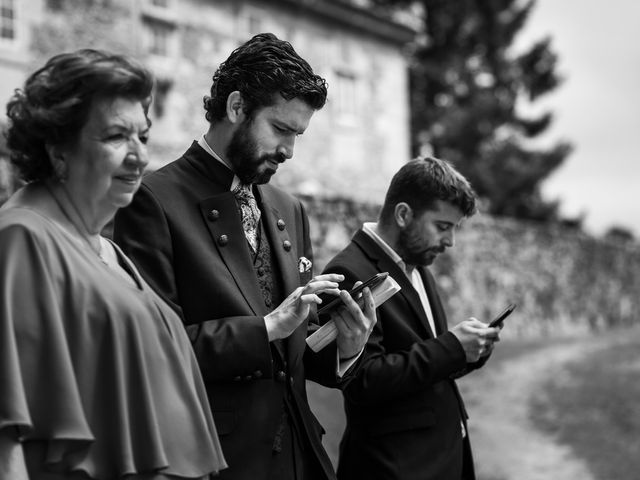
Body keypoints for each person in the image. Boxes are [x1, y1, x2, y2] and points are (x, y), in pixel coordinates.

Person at [113, 33, 376, 480]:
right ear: (236, 107)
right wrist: (267, 327)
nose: (289, 151)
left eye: (298, 135)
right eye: (281, 129)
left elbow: (295, 351)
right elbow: (152, 350)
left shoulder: (290, 209)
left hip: (301, 460)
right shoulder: (151, 201)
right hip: (215, 463)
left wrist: (345, 347)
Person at [0, 49, 226, 480]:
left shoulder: (107, 248)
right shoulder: (22, 238)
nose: (140, 156)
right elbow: (6, 428)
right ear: (58, 150)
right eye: (116, 137)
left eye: (142, 136)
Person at [322, 157, 502, 480]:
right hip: (394, 467)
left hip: (443, 458)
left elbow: (424, 363)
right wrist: (451, 347)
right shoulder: (348, 272)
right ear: (403, 214)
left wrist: (470, 351)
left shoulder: (418, 266)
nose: (450, 242)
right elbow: (363, 381)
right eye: (443, 227)